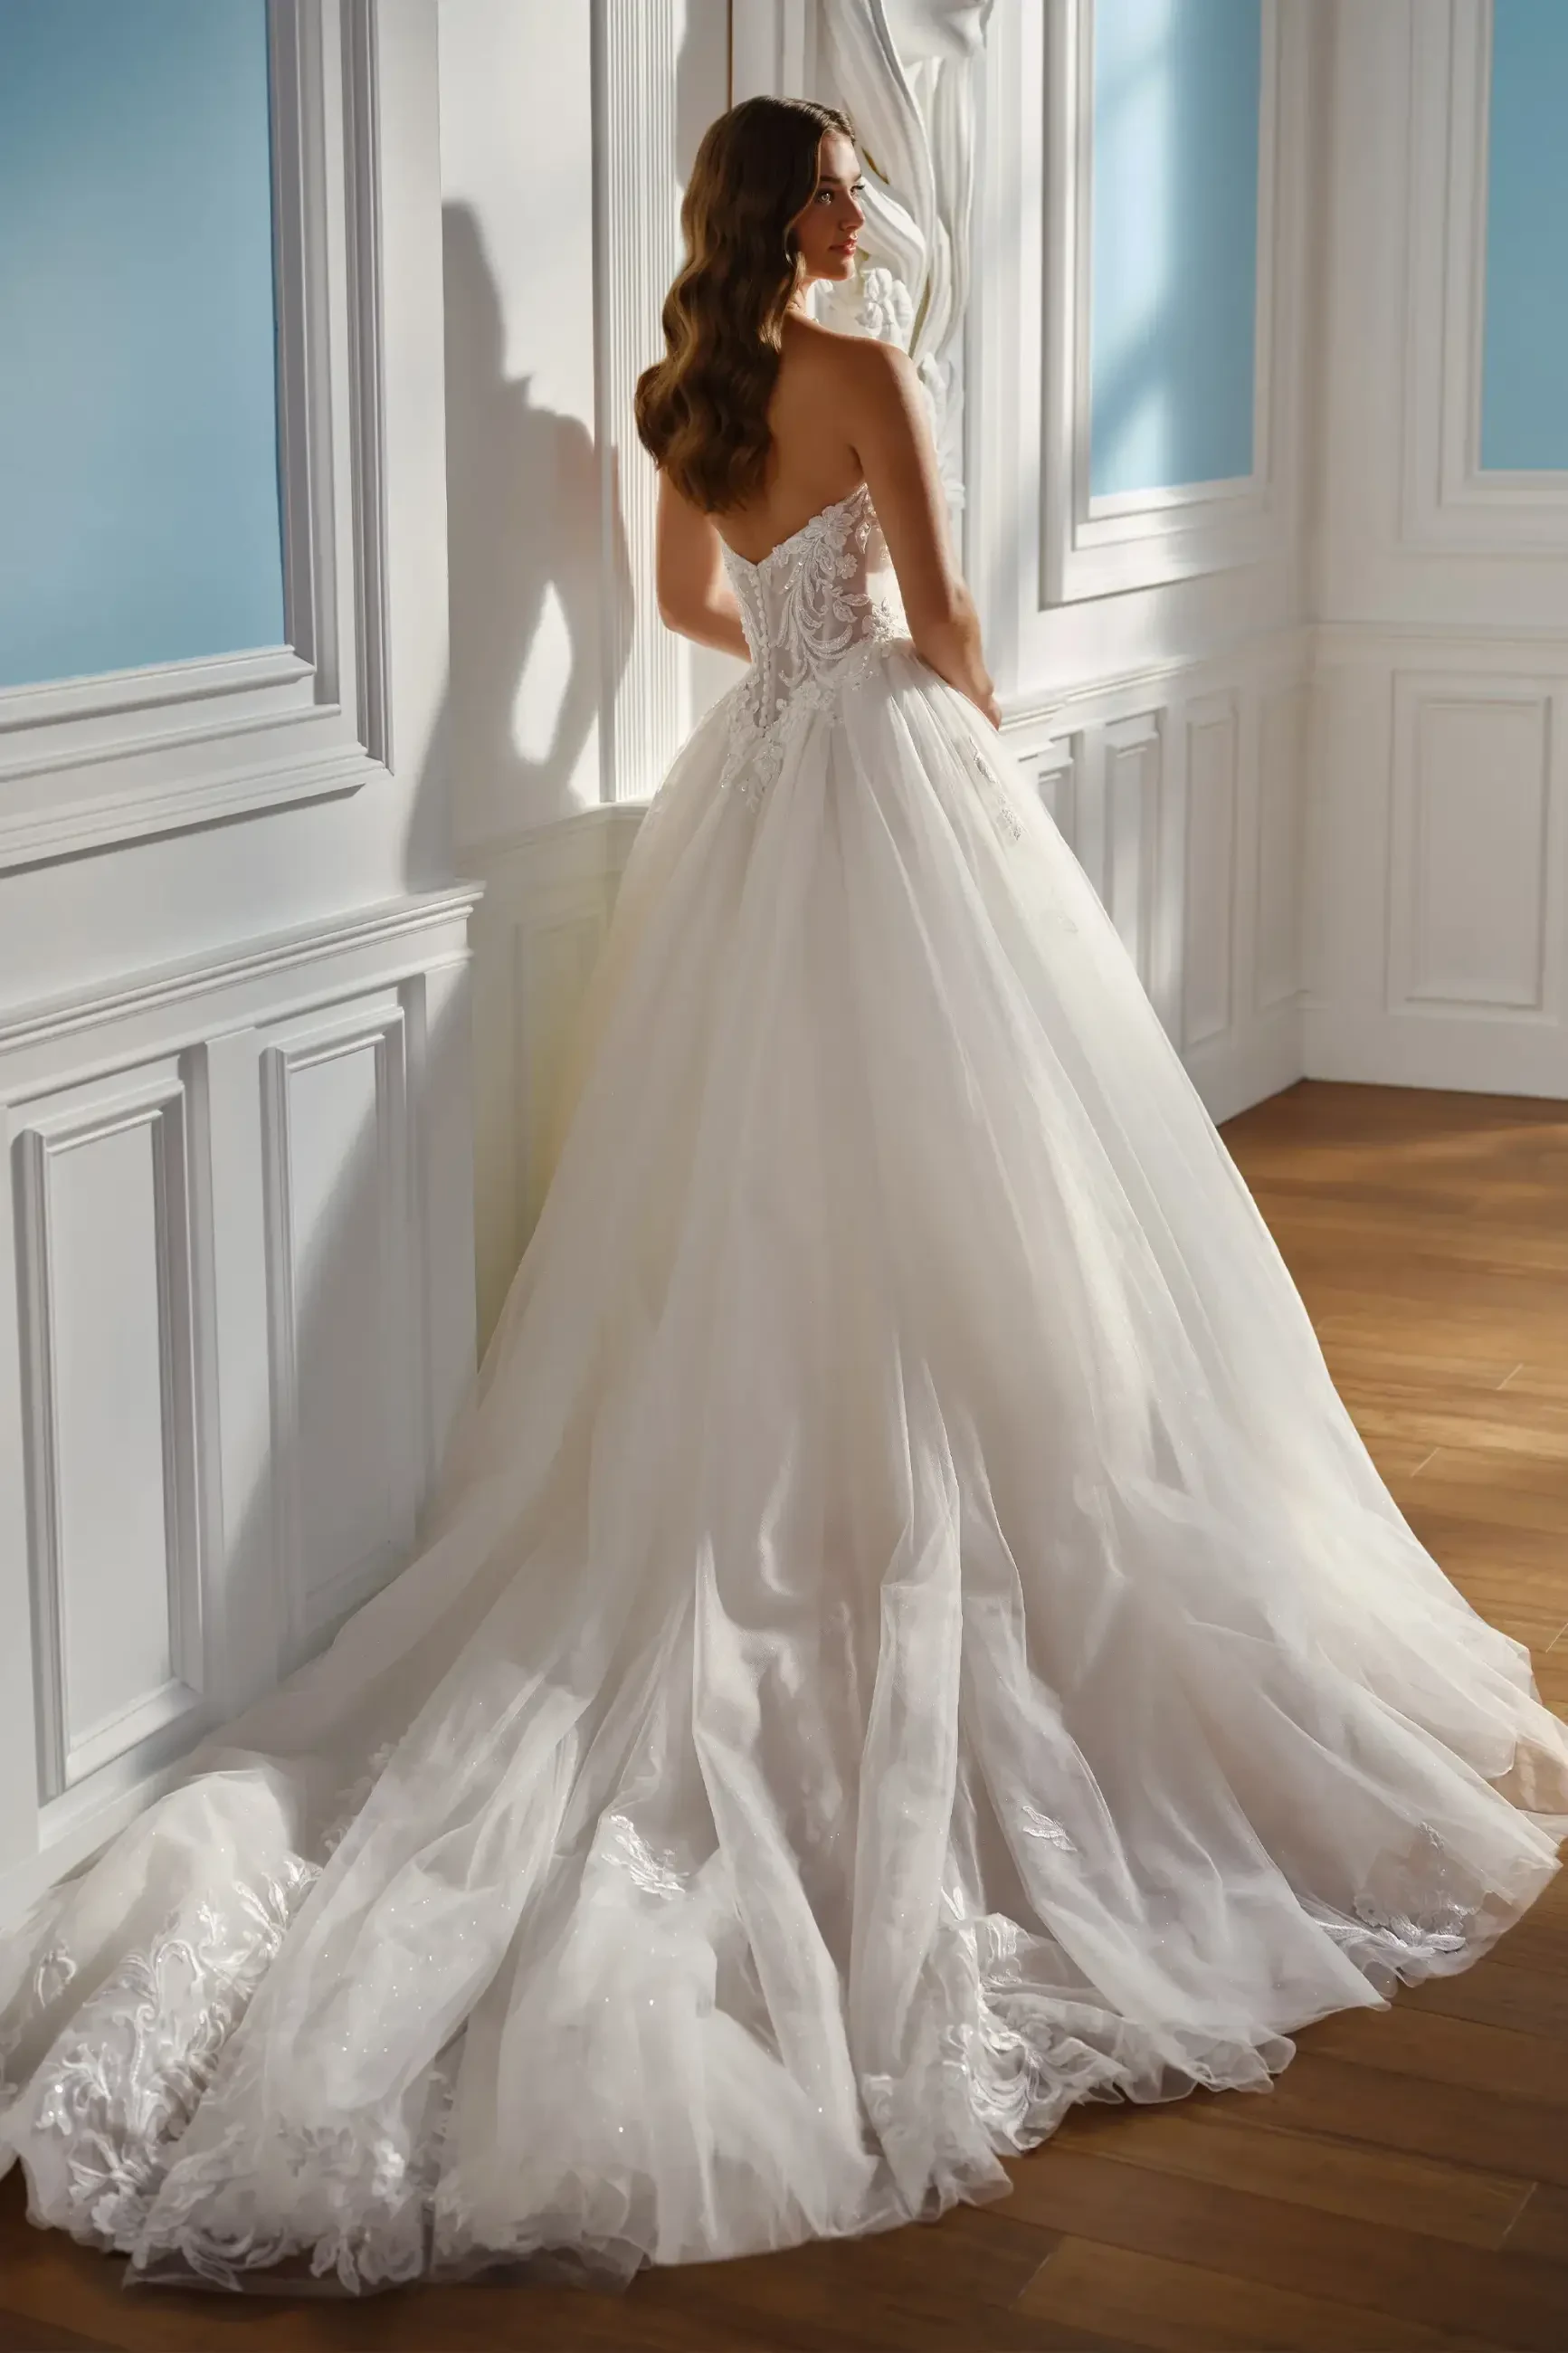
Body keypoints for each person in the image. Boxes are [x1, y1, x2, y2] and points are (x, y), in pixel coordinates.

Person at [3, 96, 1565, 2299]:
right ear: (795, 206)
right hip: (883, 787)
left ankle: (811, 1504)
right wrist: (952, 747)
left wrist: (797, 685)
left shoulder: (687, 390)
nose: (861, 191)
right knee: (974, 1188)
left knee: (754, 1212)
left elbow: (676, 606)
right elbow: (940, 616)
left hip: (746, 806)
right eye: (838, 168)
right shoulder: (866, 369)